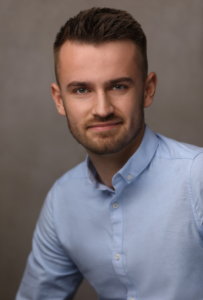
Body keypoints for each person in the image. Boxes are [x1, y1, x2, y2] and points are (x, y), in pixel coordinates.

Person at [16, 7, 203, 300]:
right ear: (59, 99)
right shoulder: (62, 202)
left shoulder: (197, 177)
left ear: (147, 90)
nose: (102, 109)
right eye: (81, 90)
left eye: (118, 86)